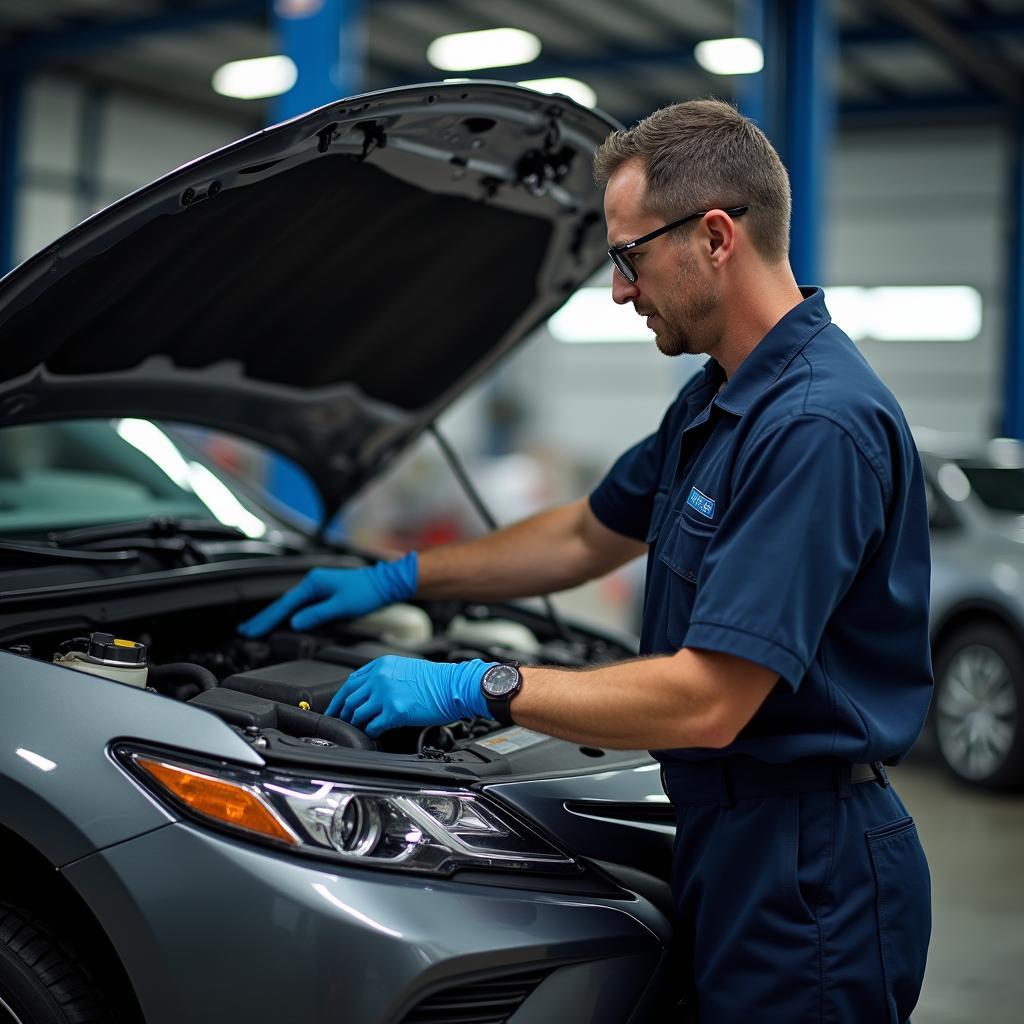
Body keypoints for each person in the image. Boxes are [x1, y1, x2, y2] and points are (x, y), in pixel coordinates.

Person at [239, 99, 932, 1024]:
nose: (618, 289)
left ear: (716, 237)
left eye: (628, 256)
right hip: (734, 836)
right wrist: (398, 577)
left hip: (808, 872)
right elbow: (582, 535)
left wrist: (480, 685)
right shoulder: (718, 401)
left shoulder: (812, 425)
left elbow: (708, 702)